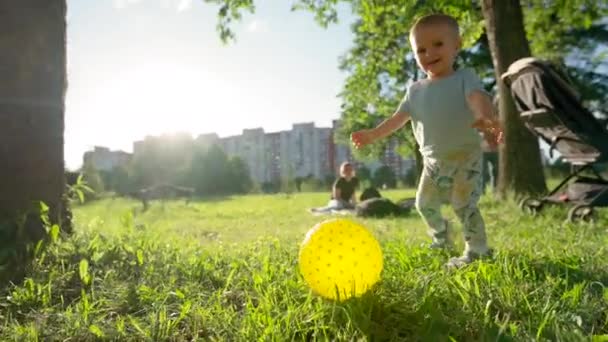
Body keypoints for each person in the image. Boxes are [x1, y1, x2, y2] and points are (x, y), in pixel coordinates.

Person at [350, 13, 504, 268]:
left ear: (457, 44)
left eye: (438, 45)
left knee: (463, 204)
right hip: (433, 162)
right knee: (424, 204)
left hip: (465, 156)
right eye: (420, 49)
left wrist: (486, 118)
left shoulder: (464, 77)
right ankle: (441, 236)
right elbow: (397, 118)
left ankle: (478, 250)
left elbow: (478, 98)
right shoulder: (415, 90)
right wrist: (373, 134)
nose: (429, 53)